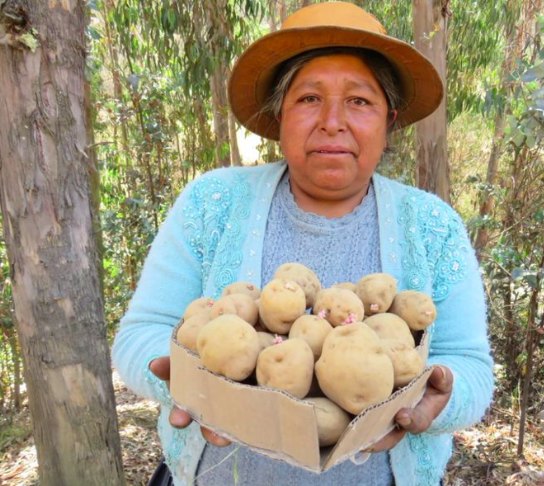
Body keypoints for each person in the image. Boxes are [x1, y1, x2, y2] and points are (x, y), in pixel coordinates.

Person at [112, 2, 494, 485]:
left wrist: (438, 398)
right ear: (280, 116)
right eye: (309, 98)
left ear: (389, 120)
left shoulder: (433, 225)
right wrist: (185, 382)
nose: (333, 121)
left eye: (359, 101)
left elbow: (470, 367)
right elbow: (141, 333)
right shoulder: (211, 202)